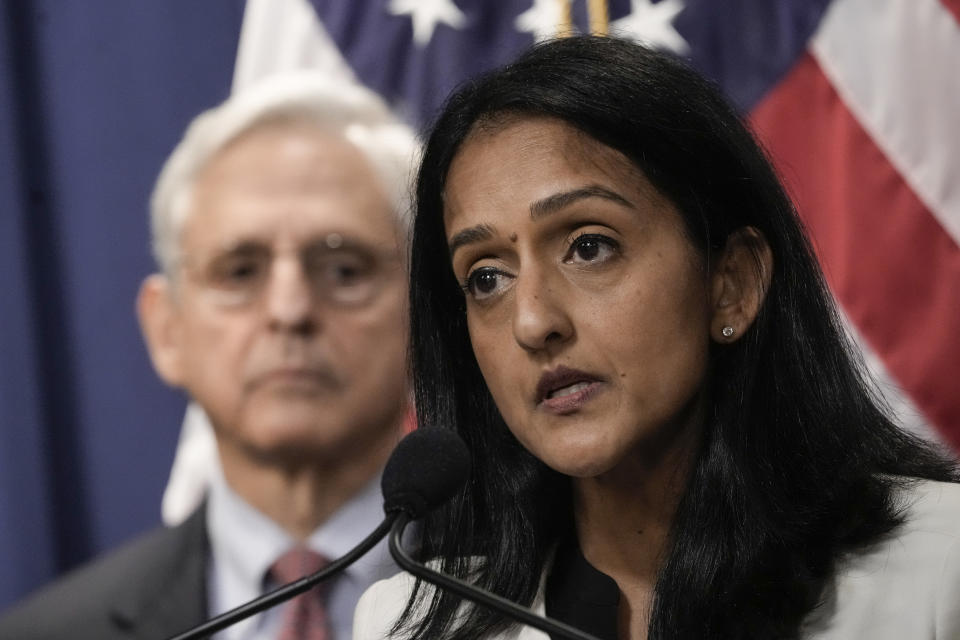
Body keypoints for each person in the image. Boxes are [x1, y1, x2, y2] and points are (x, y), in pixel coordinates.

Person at [352, 36, 960, 640]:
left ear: (732, 284)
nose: (533, 322)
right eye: (486, 278)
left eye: (589, 247)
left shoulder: (940, 572)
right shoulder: (408, 624)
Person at [0, 72, 418, 639]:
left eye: (345, 269)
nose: (290, 310)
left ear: (424, 318)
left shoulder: (546, 601)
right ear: (167, 329)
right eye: (240, 270)